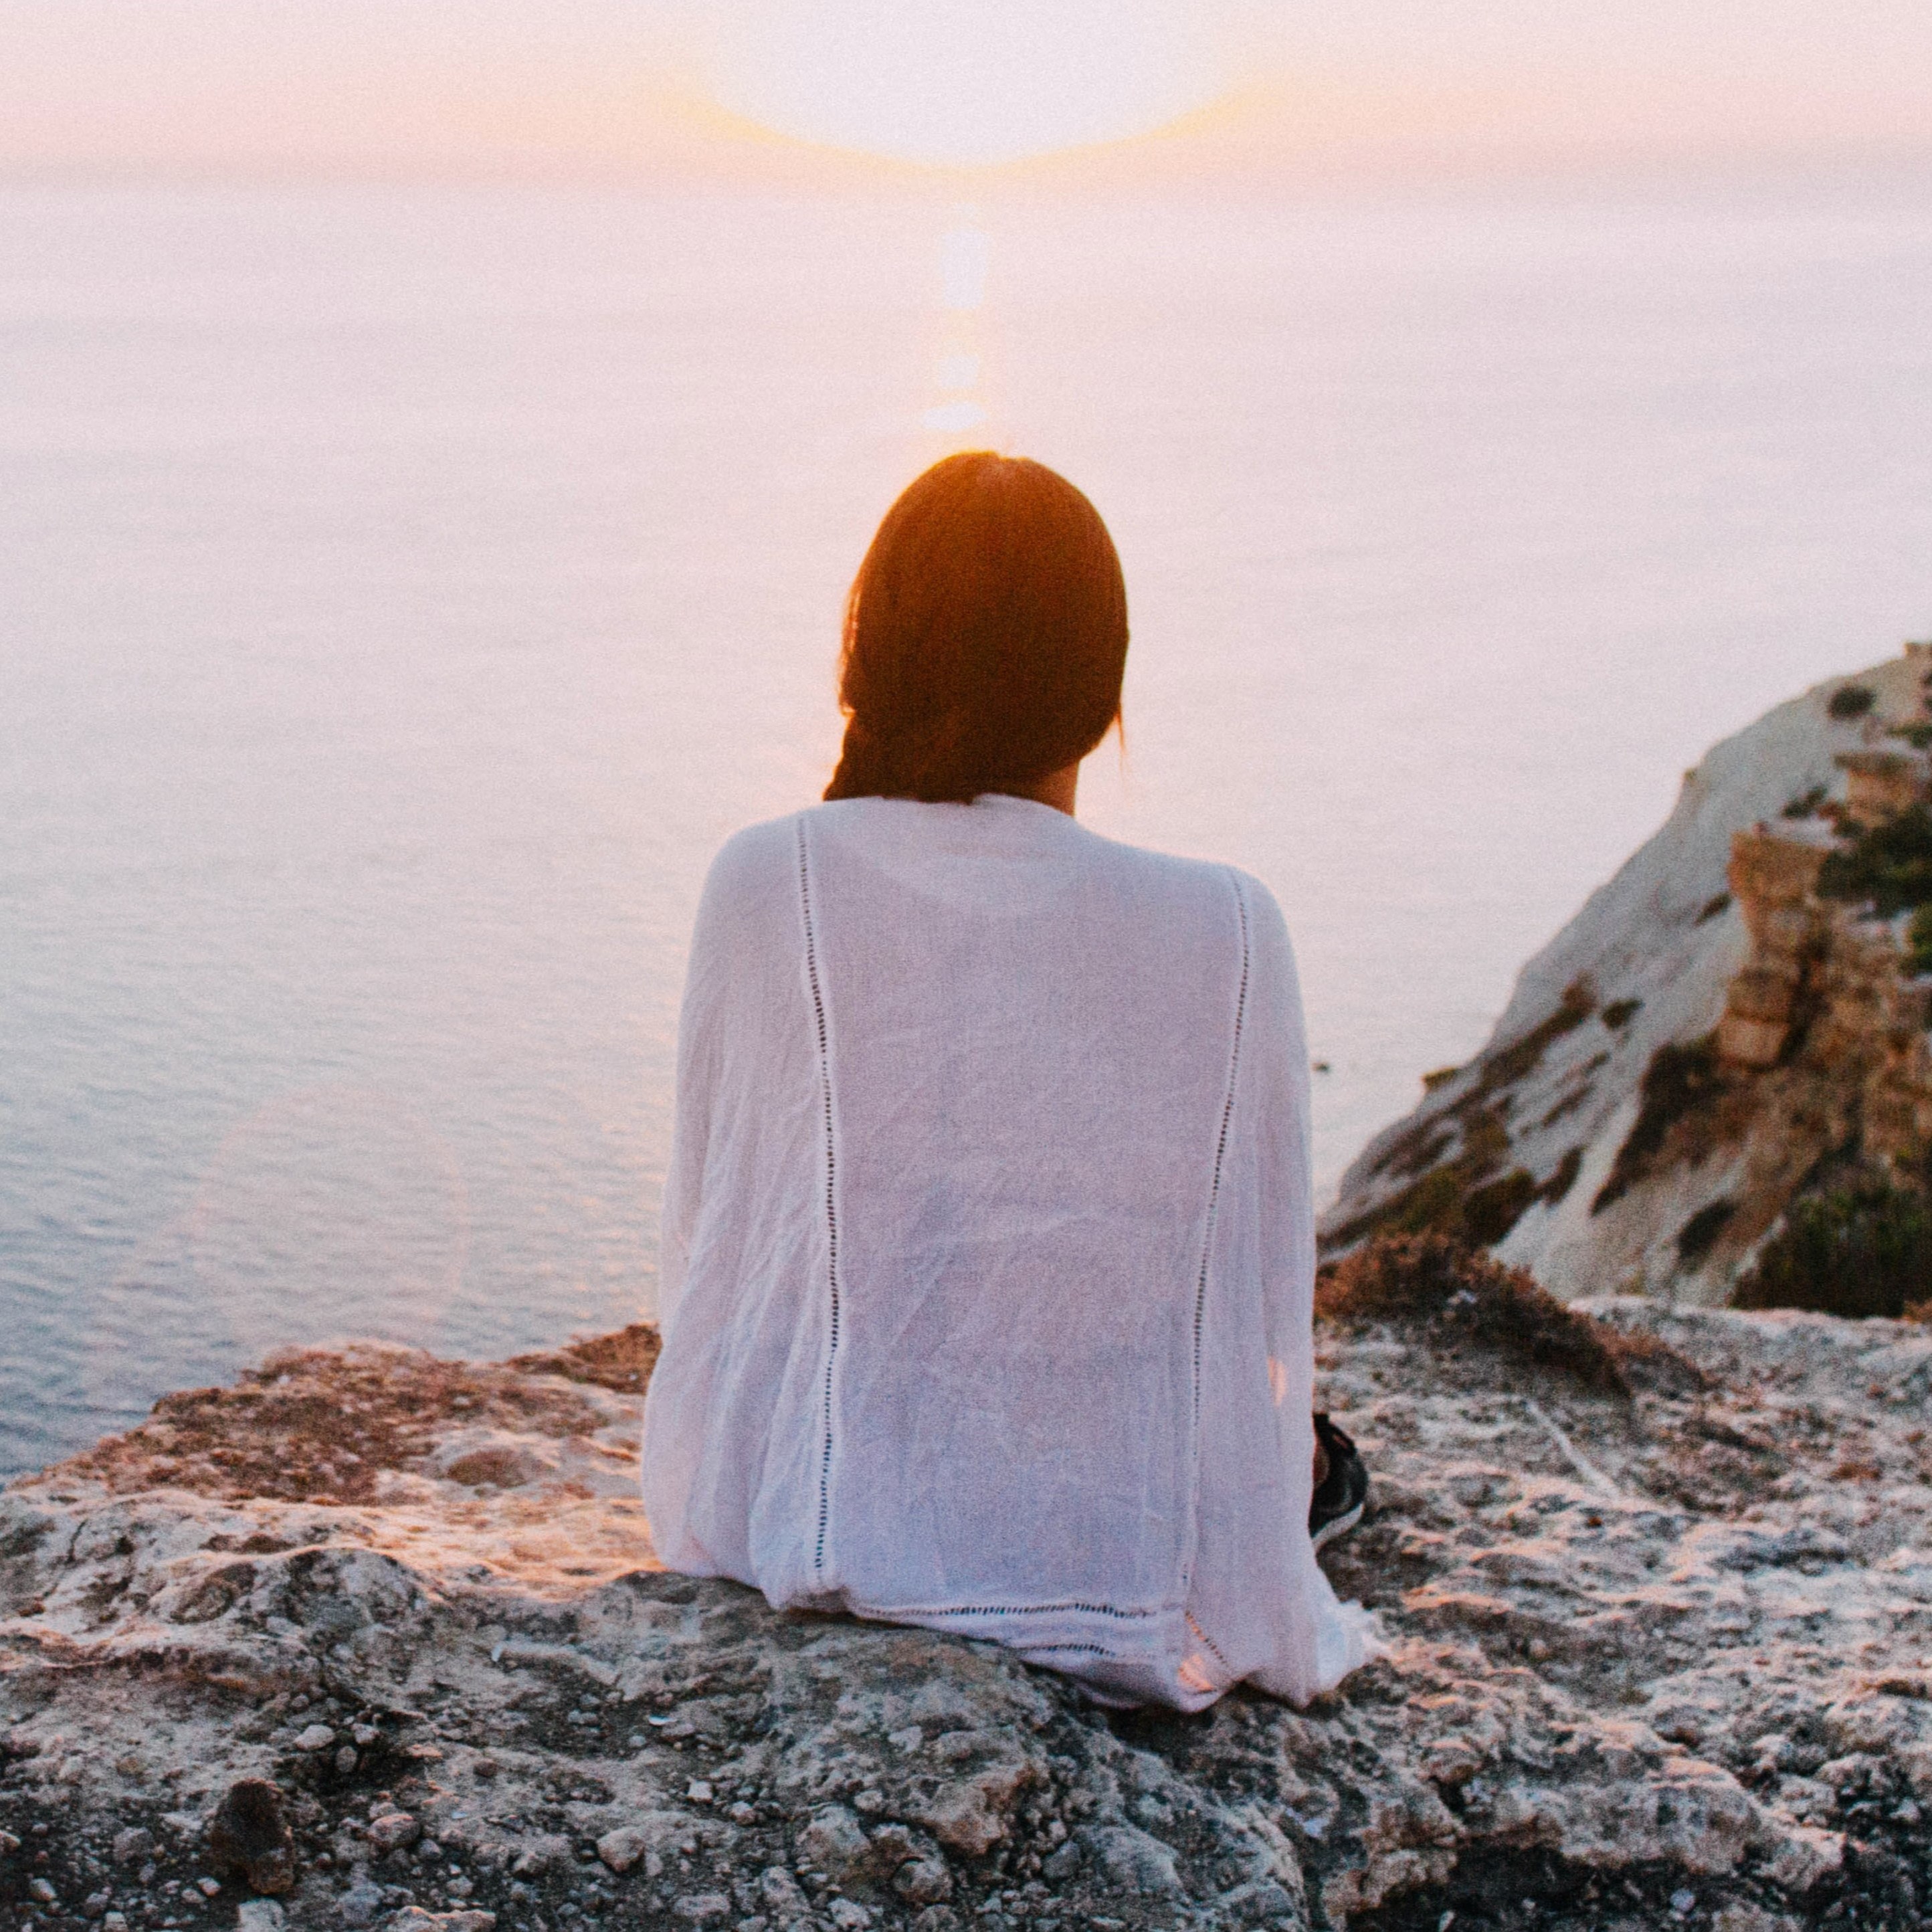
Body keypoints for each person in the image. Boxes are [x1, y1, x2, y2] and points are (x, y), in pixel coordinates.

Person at [641, 452, 1372, 1709]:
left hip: (817, 1518)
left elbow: (715, 1261)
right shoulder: (1232, 926)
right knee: (1313, 1462)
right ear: (1099, 693)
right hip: (1115, 1538)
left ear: (868, 658)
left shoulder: (766, 881)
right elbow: (1256, 1302)